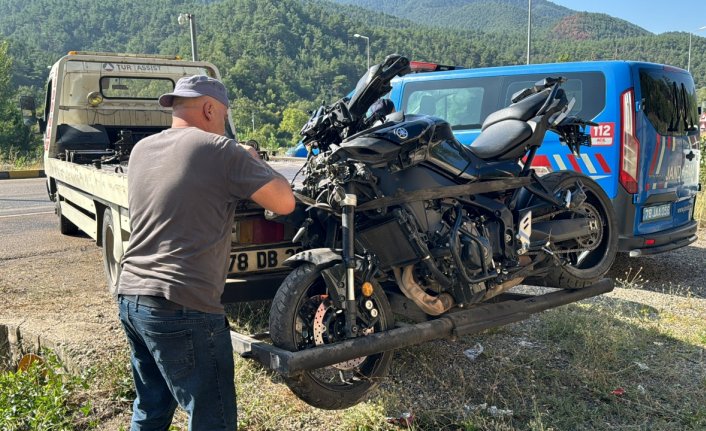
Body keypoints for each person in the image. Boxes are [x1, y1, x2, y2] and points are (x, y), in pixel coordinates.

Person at [116, 75, 295, 430]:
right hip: (184, 305)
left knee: (150, 410)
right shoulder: (220, 150)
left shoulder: (142, 150)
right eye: (224, 116)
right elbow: (285, 201)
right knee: (213, 420)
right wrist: (252, 158)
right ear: (211, 108)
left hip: (132, 297)